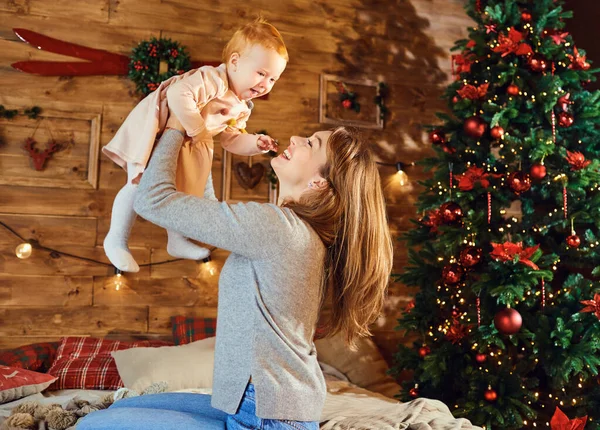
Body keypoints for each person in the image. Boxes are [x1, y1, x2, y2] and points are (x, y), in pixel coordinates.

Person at [79, 115, 393, 429]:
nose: (296, 138)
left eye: (311, 144)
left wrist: (175, 124)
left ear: (319, 182)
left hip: (268, 418)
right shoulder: (290, 231)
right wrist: (201, 138)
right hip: (259, 404)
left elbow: (153, 200)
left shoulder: (278, 229)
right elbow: (206, 209)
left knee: (91, 427)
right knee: (109, 414)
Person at [101, 18, 286, 273]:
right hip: (159, 131)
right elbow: (179, 95)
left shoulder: (242, 107)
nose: (265, 84)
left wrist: (255, 143)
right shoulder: (213, 80)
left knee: (182, 192)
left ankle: (176, 240)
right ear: (234, 62)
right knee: (139, 184)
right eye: (261, 73)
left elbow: (230, 139)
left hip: (187, 144)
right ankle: (116, 239)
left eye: (273, 79)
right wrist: (198, 130)